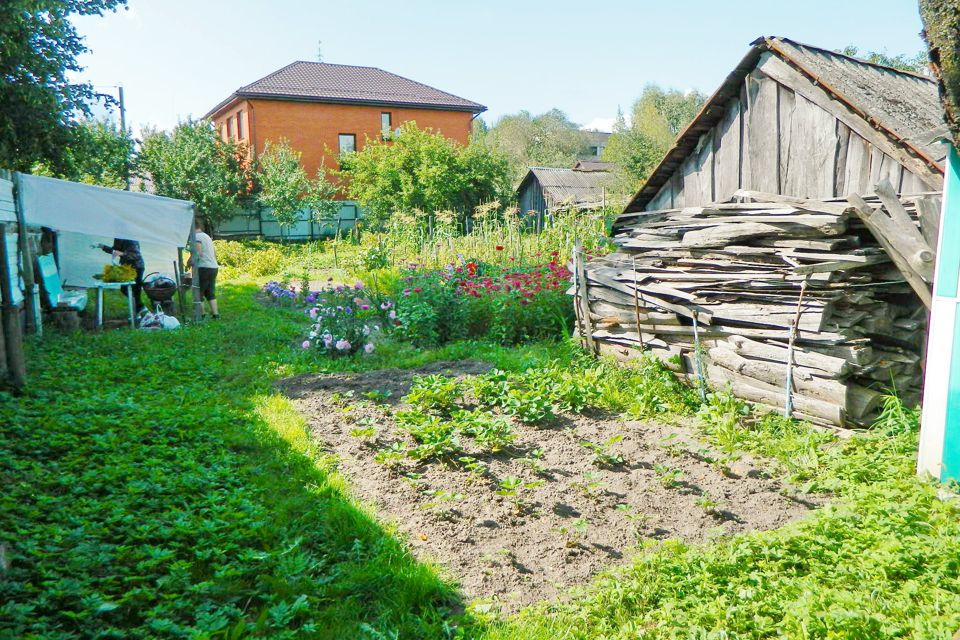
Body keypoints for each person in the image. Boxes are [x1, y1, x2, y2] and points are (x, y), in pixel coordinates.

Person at [99, 238, 145, 313]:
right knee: (124, 289)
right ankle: (139, 309)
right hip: (126, 268)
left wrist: (122, 253)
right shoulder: (118, 238)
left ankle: (140, 310)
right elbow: (114, 251)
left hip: (137, 267)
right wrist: (102, 246)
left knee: (135, 291)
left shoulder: (130, 240)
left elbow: (135, 255)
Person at [187, 222, 219, 319]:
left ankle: (202, 315)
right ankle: (215, 315)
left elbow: (198, 253)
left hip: (204, 268)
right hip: (213, 267)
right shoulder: (207, 237)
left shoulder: (197, 237)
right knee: (210, 292)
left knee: (198, 291)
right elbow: (214, 253)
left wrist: (189, 262)